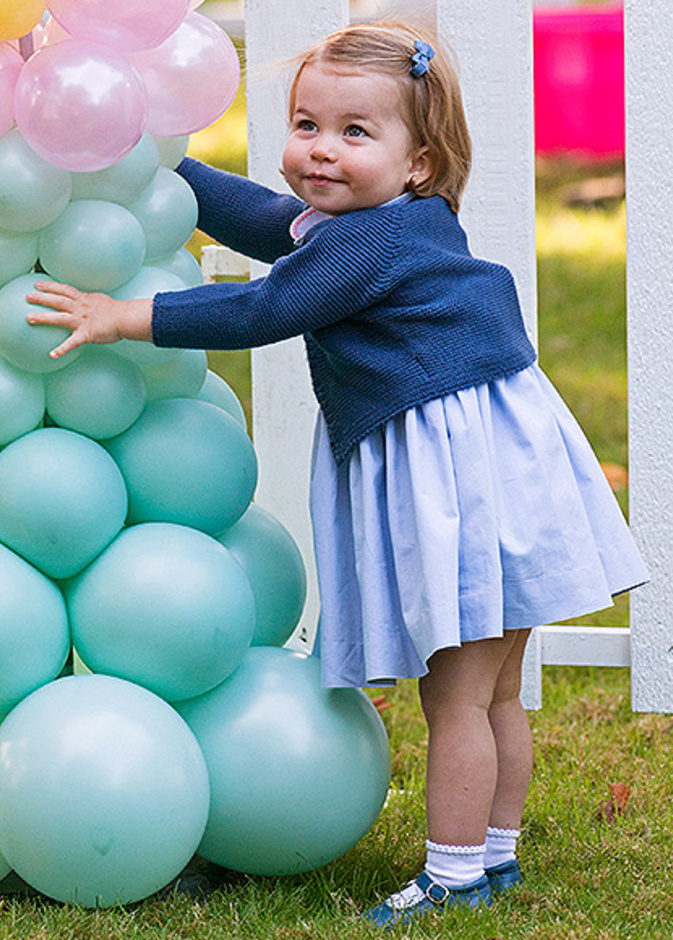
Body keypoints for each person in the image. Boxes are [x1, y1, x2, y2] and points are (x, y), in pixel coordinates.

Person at [26, 20, 648, 929]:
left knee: (457, 695)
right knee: (494, 690)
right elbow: (264, 220)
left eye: (355, 132)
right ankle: (495, 852)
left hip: (459, 482)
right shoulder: (384, 222)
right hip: (497, 471)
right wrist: (159, 162)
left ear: (419, 163)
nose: (320, 149)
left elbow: (264, 307)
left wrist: (125, 315)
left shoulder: (367, 246)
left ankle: (454, 874)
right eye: (306, 124)